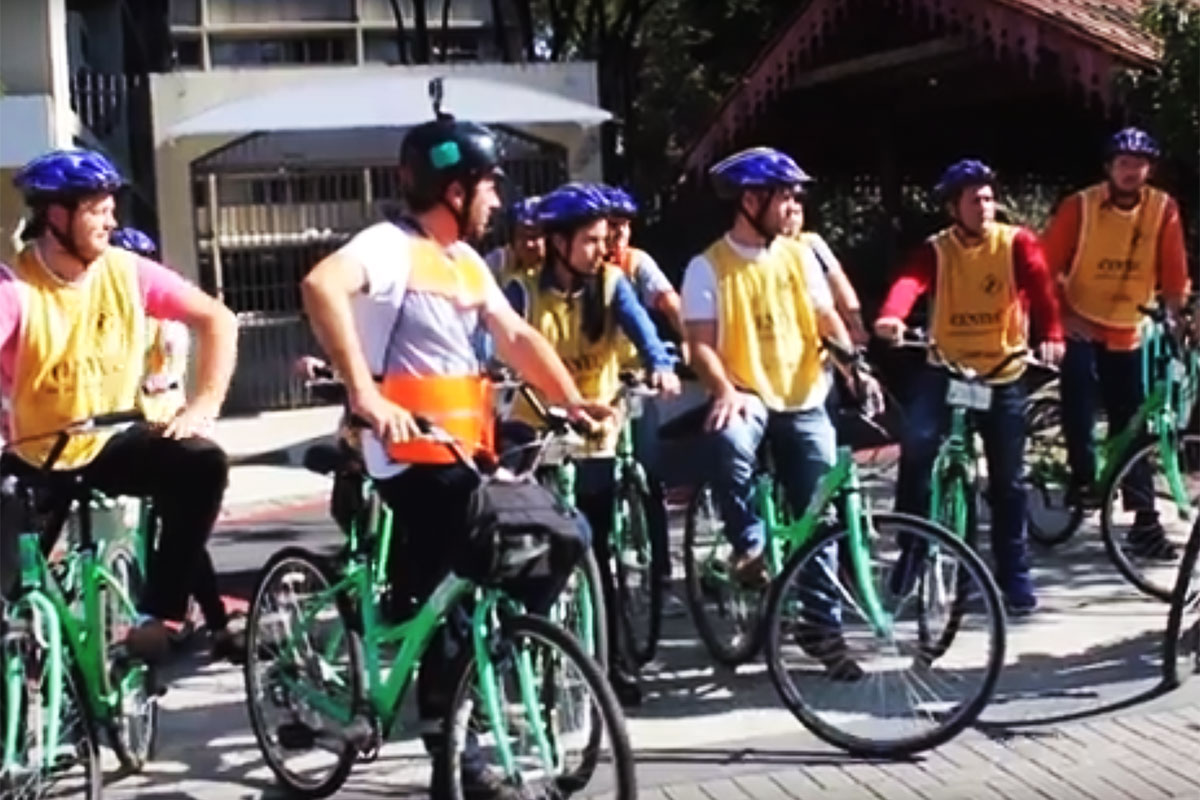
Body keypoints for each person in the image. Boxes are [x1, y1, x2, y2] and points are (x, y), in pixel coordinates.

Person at [298, 110, 611, 799]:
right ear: (453, 189)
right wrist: (364, 396)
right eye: (488, 185)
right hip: (406, 454)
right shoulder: (389, 245)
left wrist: (570, 402)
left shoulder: (465, 262)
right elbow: (321, 286)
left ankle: (477, 672)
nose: (498, 201)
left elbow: (517, 336)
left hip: (464, 452)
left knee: (565, 535)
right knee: (483, 554)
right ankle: (453, 732)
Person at [0, 150, 238, 661]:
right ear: (56, 216)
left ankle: (160, 615)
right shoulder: (15, 289)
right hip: (37, 454)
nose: (111, 219)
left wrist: (203, 407)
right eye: (95, 209)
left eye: (112, 207)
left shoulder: (128, 272)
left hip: (111, 443)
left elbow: (218, 320)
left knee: (202, 464)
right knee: (6, 599)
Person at [682, 147, 880, 679]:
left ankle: (822, 627)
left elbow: (824, 318)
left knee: (820, 514)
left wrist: (852, 365)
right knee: (728, 443)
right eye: (784, 195)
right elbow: (699, 345)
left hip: (804, 394)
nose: (793, 204)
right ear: (751, 200)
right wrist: (723, 388)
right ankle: (749, 545)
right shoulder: (708, 267)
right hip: (747, 392)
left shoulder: (798, 256)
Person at [502, 182, 680, 706]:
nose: (602, 249)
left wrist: (663, 365)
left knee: (597, 555)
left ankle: (610, 666)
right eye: (590, 240)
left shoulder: (611, 284)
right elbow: (492, 343)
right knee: (528, 557)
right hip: (536, 436)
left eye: (604, 239)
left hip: (596, 435)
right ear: (558, 243)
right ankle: (519, 654)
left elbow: (644, 331)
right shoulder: (521, 291)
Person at [874, 159, 1064, 615]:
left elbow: (1040, 289)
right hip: (947, 367)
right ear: (952, 207)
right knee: (918, 446)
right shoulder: (937, 249)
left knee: (1008, 479)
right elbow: (910, 283)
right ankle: (913, 553)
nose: (985, 206)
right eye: (974, 199)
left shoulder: (1016, 242)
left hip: (1002, 370)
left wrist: (1051, 334)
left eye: (988, 197)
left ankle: (1013, 572)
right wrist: (892, 315)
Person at [1041, 127, 1192, 559]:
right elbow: (1044, 266)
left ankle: (1144, 523)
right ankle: (1083, 477)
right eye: (1123, 163)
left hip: (1129, 324)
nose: (1131, 171)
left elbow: (1174, 273)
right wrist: (1062, 317)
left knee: (1134, 421)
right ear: (1109, 168)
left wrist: (1177, 315)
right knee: (1081, 391)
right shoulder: (1080, 206)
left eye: (1139, 164)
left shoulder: (1163, 209)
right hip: (1082, 320)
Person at [109, 226, 244, 661]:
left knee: (181, 528)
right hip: (163, 424)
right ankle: (216, 624)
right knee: (184, 533)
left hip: (157, 428)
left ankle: (209, 621)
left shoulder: (151, 323)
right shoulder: (162, 319)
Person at [484, 195, 543, 284]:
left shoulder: (559, 268)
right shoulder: (497, 263)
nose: (529, 244)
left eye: (534, 237)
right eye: (521, 237)